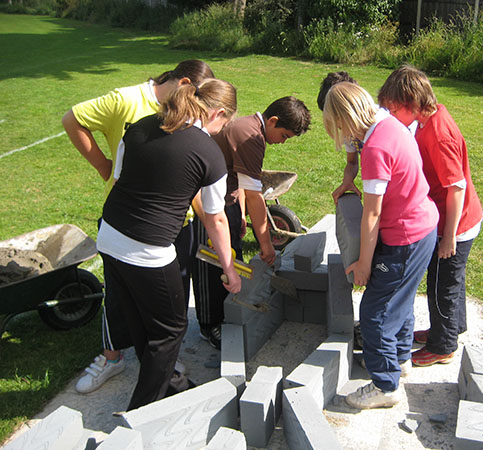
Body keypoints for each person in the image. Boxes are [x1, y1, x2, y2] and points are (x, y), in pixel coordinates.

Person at [62, 60, 215, 394]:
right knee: (119, 297)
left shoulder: (188, 118)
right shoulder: (125, 101)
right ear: (184, 83)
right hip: (126, 226)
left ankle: (163, 361)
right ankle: (112, 357)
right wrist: (103, 166)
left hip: (176, 226)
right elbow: (72, 119)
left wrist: (207, 219)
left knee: (170, 301)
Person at [97, 79, 241, 410]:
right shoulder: (209, 153)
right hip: (147, 251)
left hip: (109, 235)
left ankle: (171, 384)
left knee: (141, 319)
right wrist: (230, 270)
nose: (220, 132)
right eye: (223, 125)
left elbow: (119, 179)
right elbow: (216, 220)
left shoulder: (141, 125)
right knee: (171, 329)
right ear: (217, 113)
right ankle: (141, 412)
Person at [322, 82, 438, 409]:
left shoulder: (375, 149)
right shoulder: (389, 122)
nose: (341, 134)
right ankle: (400, 359)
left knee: (375, 312)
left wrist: (363, 263)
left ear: (344, 118)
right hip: (424, 227)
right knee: (400, 299)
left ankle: (386, 386)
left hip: (404, 238)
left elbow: (371, 215)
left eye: (337, 125)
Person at [378, 65, 483, 367]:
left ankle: (443, 346)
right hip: (455, 221)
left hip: (456, 224)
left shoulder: (438, 133)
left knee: (441, 287)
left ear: (411, 103)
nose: (390, 115)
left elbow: (456, 188)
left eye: (393, 109)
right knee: (452, 281)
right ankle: (451, 327)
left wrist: (449, 236)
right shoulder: (429, 120)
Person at [195, 96, 311, 349]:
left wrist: (240, 214)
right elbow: (255, 195)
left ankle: (228, 312)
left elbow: (243, 180)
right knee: (212, 264)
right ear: (273, 121)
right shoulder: (250, 135)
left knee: (231, 260)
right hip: (209, 207)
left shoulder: (253, 130)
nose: (282, 142)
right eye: (284, 135)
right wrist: (266, 244)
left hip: (228, 201)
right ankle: (209, 323)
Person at [317, 71, 362, 204]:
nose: (337, 126)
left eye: (335, 117)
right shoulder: (349, 130)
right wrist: (347, 181)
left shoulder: (377, 132)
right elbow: (352, 162)